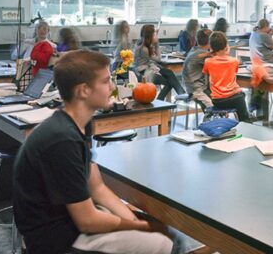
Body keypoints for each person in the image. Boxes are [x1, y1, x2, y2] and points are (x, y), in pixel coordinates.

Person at [13, 50, 174, 254]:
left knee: (160, 231)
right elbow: (87, 221)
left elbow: (96, 186)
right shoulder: (61, 140)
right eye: (106, 81)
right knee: (164, 244)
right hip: (55, 241)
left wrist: (133, 219)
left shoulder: (80, 124)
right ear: (83, 91)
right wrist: (140, 228)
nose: (113, 87)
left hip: (71, 221)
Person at [203, 31, 249, 122]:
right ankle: (246, 123)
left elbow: (206, 73)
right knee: (241, 96)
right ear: (226, 46)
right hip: (233, 99)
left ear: (211, 47)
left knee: (240, 95)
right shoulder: (234, 61)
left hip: (216, 100)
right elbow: (233, 72)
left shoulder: (208, 61)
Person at [135, 25, 185, 101]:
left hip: (148, 68)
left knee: (169, 73)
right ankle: (160, 100)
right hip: (145, 72)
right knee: (169, 81)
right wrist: (157, 44)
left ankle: (182, 94)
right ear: (150, 35)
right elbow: (158, 59)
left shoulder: (142, 44)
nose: (156, 36)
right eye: (155, 34)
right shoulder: (144, 49)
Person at [181, 28, 213, 109]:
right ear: (210, 41)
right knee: (217, 106)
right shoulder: (202, 54)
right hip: (196, 90)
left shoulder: (193, 50)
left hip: (192, 87)